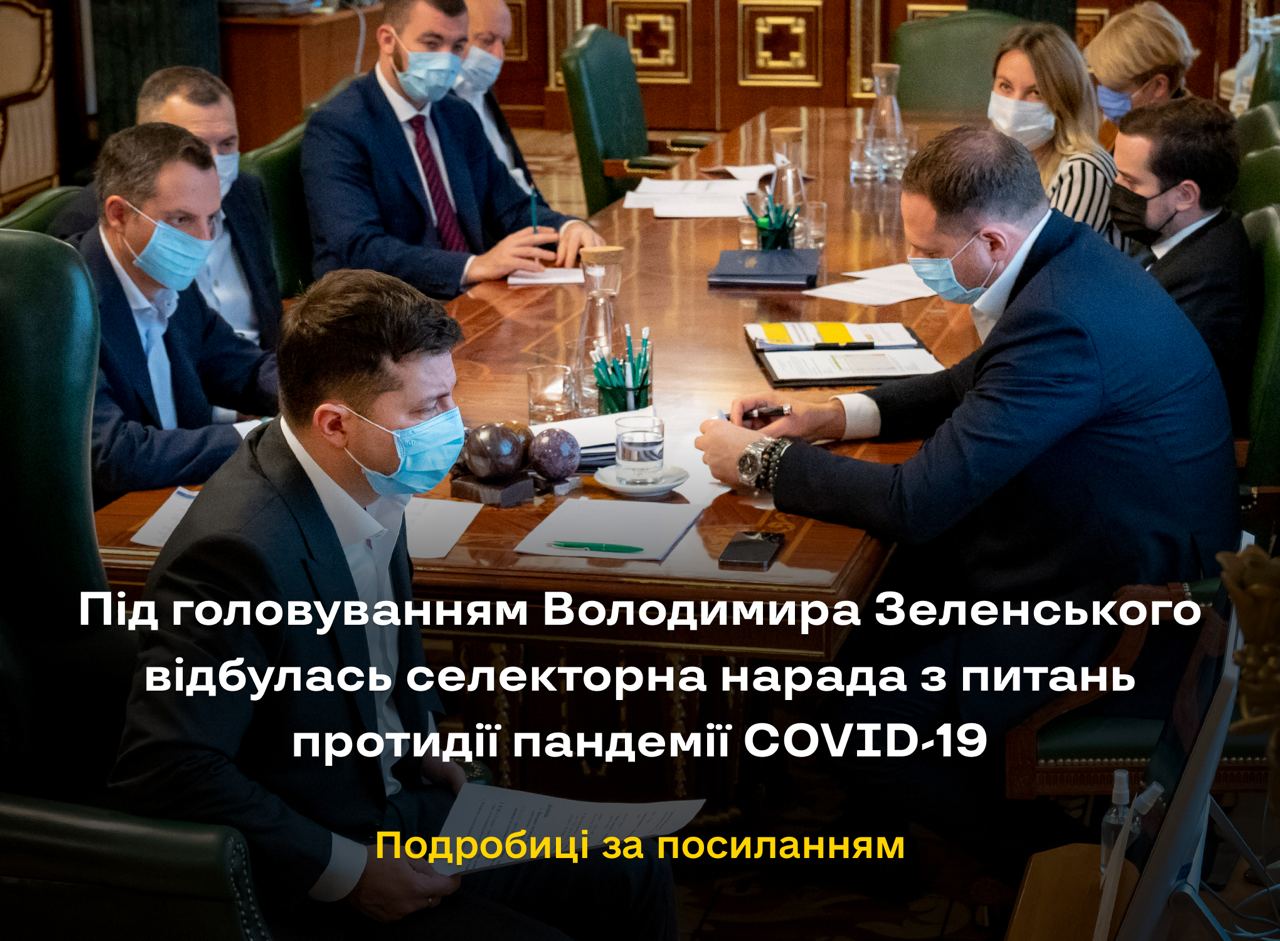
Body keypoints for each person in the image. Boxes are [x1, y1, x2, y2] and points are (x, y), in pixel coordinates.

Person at [109, 268, 677, 940]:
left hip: (402, 796)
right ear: (335, 424)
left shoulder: (373, 470)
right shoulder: (235, 555)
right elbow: (170, 768)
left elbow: (378, 649)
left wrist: (419, 732)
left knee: (635, 866)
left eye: (450, 397)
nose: (452, 425)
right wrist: (349, 872)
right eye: (426, 409)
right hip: (319, 859)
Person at [695, 126, 1236, 609]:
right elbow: (968, 382)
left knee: (822, 646)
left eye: (928, 252)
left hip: (1111, 598)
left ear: (994, 241)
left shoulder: (1060, 322)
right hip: (1087, 533)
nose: (917, 265)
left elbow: (914, 503)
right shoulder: (1068, 255)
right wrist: (827, 417)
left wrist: (761, 461)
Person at [302, 0, 602, 299]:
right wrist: (471, 266)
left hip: (471, 298)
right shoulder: (338, 127)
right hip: (387, 307)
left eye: (457, 46)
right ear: (388, 40)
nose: (446, 59)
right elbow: (357, 248)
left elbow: (511, 208)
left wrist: (567, 228)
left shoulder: (457, 114)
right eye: (432, 44)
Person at [84, 123, 278, 509]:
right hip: (111, 519)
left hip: (185, 498)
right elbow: (113, 454)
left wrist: (319, 396)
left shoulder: (168, 277)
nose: (204, 240)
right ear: (118, 213)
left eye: (212, 218)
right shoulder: (64, 309)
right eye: (181, 220)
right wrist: (263, 438)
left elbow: (242, 367)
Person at [51, 66, 283, 349]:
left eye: (226, 144)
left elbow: (265, 319)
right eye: (194, 146)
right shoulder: (86, 227)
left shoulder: (245, 191)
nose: (213, 163)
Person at [1112, 97, 1258, 433]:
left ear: (1185, 195)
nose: (1116, 188)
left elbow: (1140, 388)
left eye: (1131, 182)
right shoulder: (1169, 230)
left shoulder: (1208, 281)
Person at [989, 23, 1122, 244]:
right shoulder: (995, 164)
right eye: (1005, 86)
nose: (1015, 104)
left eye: (1036, 92)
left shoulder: (1085, 170)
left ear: (1064, 100)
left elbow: (1050, 260)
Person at [1084, 2, 1197, 147]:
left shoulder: (1189, 147)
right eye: (1104, 87)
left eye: (1116, 90)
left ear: (1159, 86)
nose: (1105, 102)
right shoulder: (1113, 129)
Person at [454, 0, 539, 195]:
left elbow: (521, 185)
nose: (499, 55)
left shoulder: (482, 93)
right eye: (487, 41)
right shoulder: (433, 105)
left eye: (504, 43)